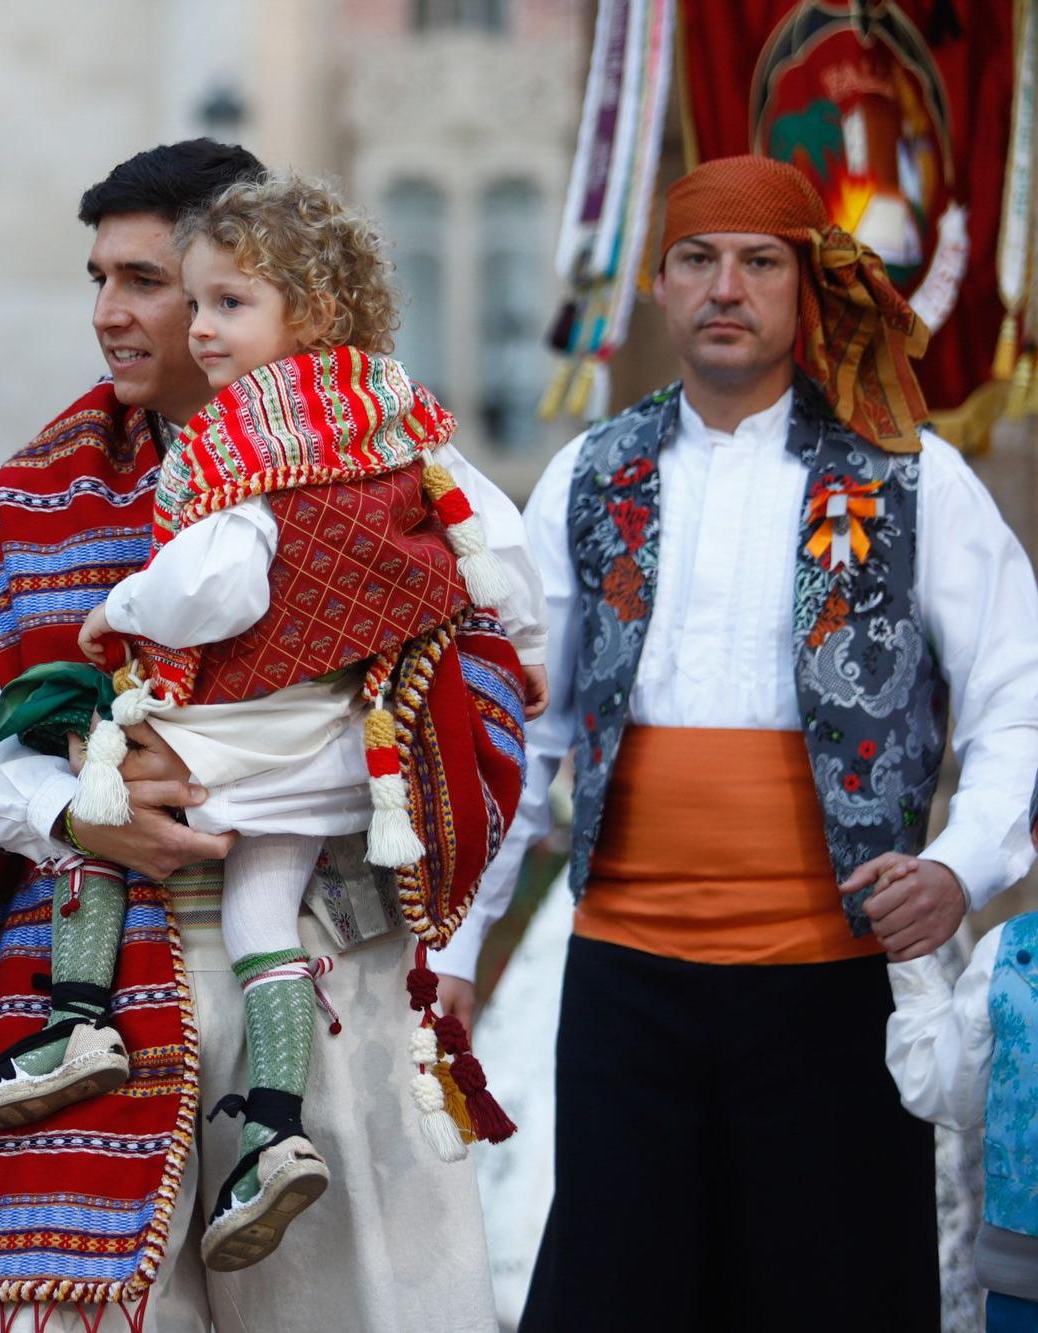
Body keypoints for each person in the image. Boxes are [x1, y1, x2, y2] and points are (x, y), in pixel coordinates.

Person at [0, 140, 526, 1333]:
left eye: (146, 280)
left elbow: (479, 711)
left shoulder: (386, 465)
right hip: (89, 980)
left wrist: (245, 779)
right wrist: (68, 806)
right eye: (98, 278)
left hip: (320, 969)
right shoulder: (51, 481)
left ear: (238, 284)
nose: (108, 313)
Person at [439, 155, 1038, 1329]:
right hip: (621, 983)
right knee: (616, 1296)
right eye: (697, 260)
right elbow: (523, 728)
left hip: (833, 986)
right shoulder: (587, 473)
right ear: (657, 285)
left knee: (834, 1297)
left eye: (759, 262)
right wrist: (458, 947)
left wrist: (960, 864)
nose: (726, 288)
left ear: (805, 289)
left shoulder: (914, 476)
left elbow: (1015, 700)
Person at [885, 797, 1038, 1333]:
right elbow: (949, 1095)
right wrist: (913, 960)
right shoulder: (1008, 955)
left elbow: (945, 1094)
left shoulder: (1008, 953)